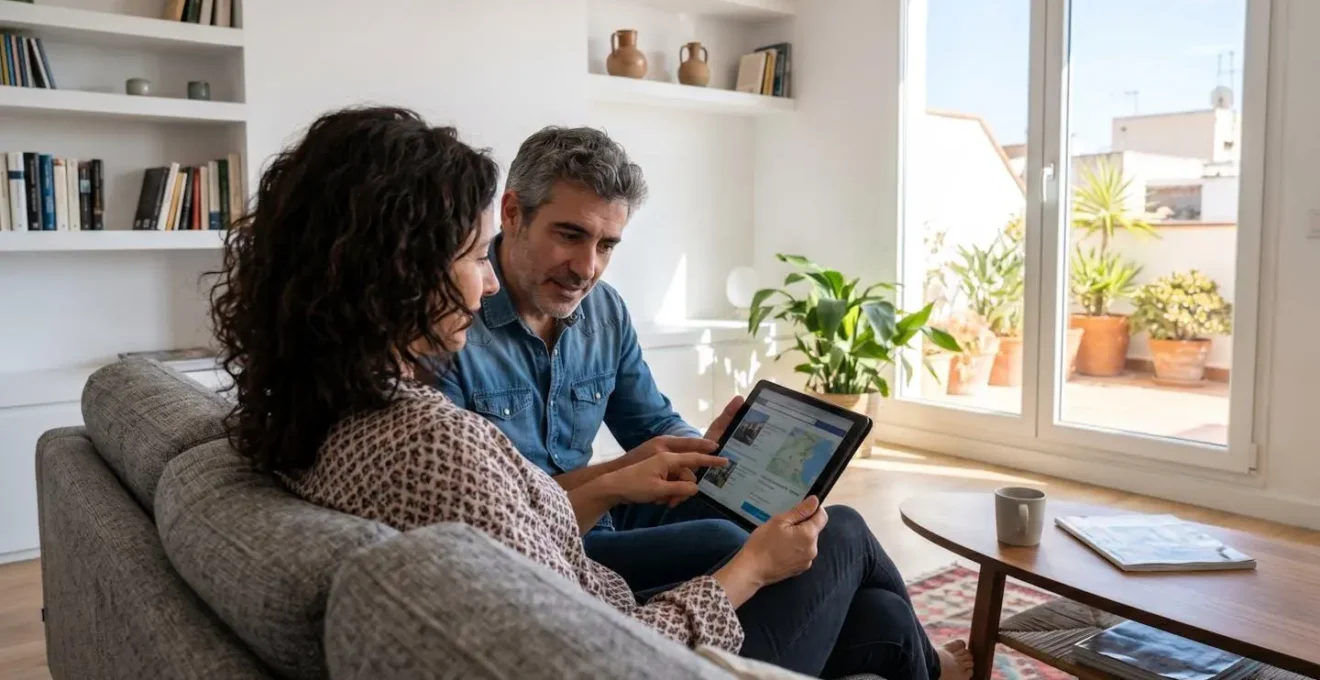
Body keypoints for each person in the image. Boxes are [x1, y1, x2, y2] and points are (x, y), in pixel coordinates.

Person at [208, 106, 974, 680]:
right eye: (473, 255)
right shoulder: (430, 433)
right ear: (402, 269)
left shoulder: (329, 402)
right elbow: (612, 645)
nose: (480, 283)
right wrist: (748, 571)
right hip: (624, 629)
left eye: (607, 244)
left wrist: (705, 452)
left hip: (582, 573)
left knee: (857, 602)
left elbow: (536, 505)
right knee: (827, 534)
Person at [435, 126, 749, 591]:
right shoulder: (452, 321)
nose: (587, 269)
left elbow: (652, 425)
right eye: (570, 235)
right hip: (539, 549)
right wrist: (620, 476)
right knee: (730, 541)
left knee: (810, 522)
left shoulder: (605, 311)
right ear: (513, 213)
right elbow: (490, 516)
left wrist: (708, 453)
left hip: (606, 518)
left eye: (606, 246)